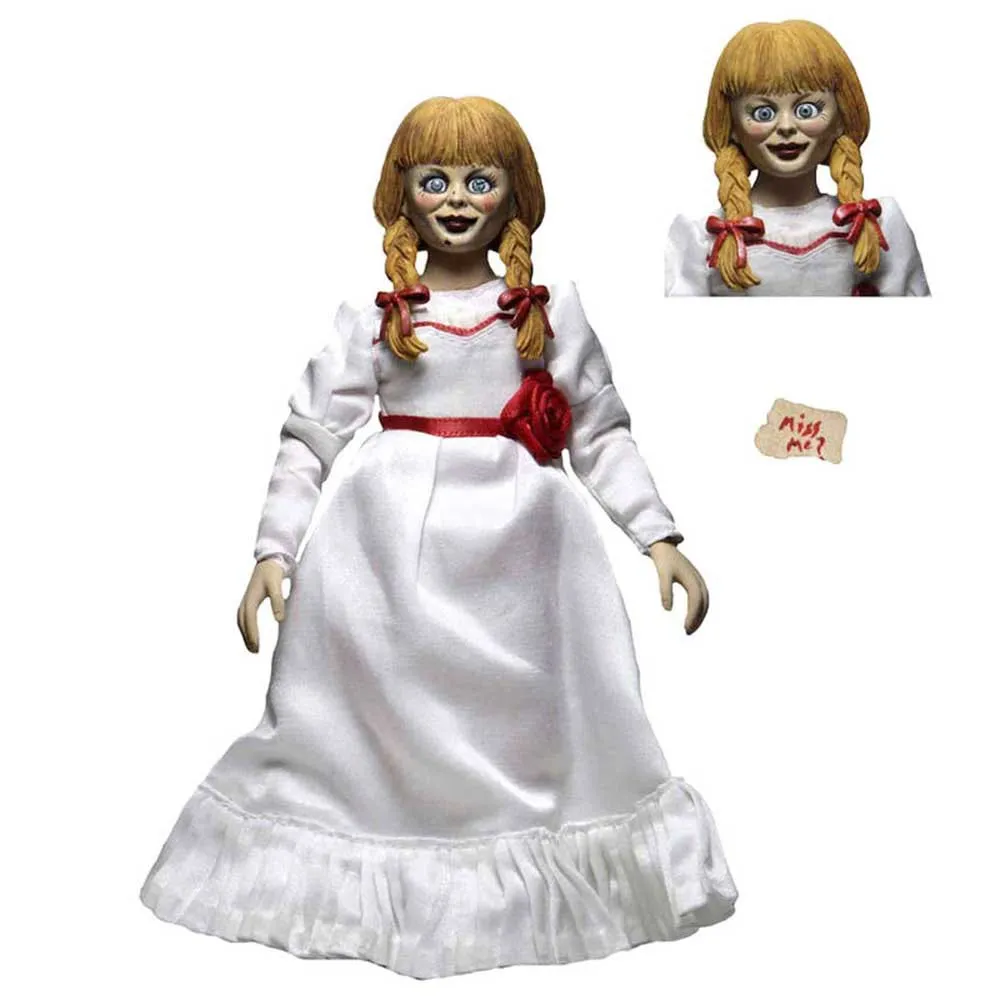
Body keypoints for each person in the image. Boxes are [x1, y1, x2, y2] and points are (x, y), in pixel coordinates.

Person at [142, 96, 736, 978]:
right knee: (372, 721)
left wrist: (659, 535)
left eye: (479, 181)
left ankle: (525, 857)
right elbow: (311, 436)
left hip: (523, 556)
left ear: (513, 195)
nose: (457, 200)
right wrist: (274, 550)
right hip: (386, 555)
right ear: (404, 195)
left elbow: (600, 431)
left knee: (533, 725)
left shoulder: (546, 312)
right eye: (436, 181)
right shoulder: (376, 316)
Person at [665, 20, 930, 296]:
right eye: (763, 113)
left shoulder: (880, 226)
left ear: (842, 118)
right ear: (731, 126)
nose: (786, 126)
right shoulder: (702, 240)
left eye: (806, 110)